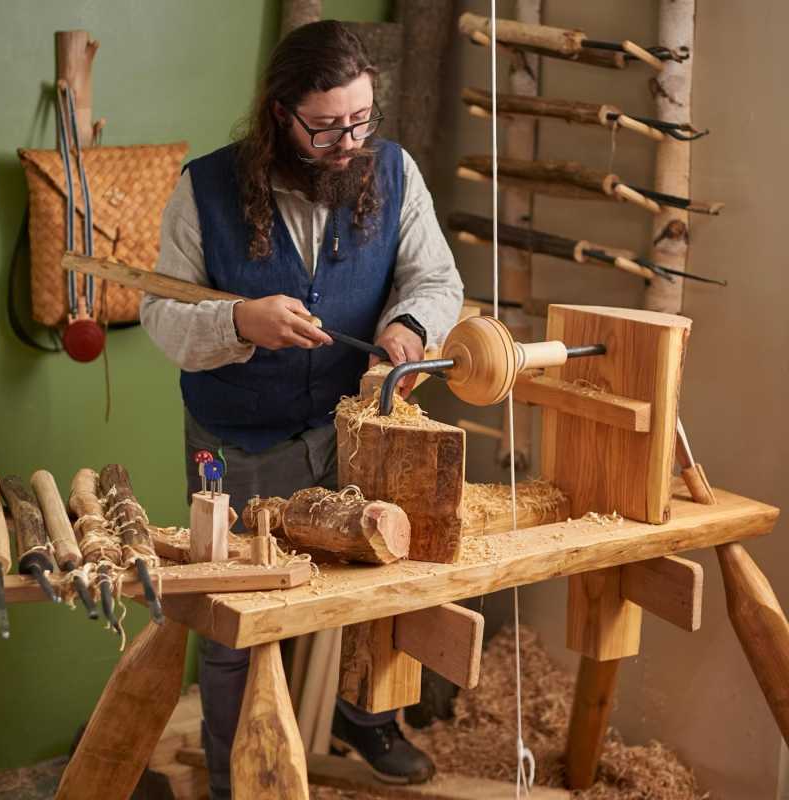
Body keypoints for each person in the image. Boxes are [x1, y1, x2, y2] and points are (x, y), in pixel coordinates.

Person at [140, 19, 463, 798]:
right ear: (280, 114)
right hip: (240, 440)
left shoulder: (393, 170)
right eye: (325, 127)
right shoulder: (207, 187)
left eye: (361, 119)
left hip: (353, 433)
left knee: (371, 592)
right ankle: (233, 782)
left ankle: (363, 718)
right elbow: (161, 316)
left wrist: (407, 331)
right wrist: (239, 323)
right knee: (235, 628)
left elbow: (436, 279)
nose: (347, 141)